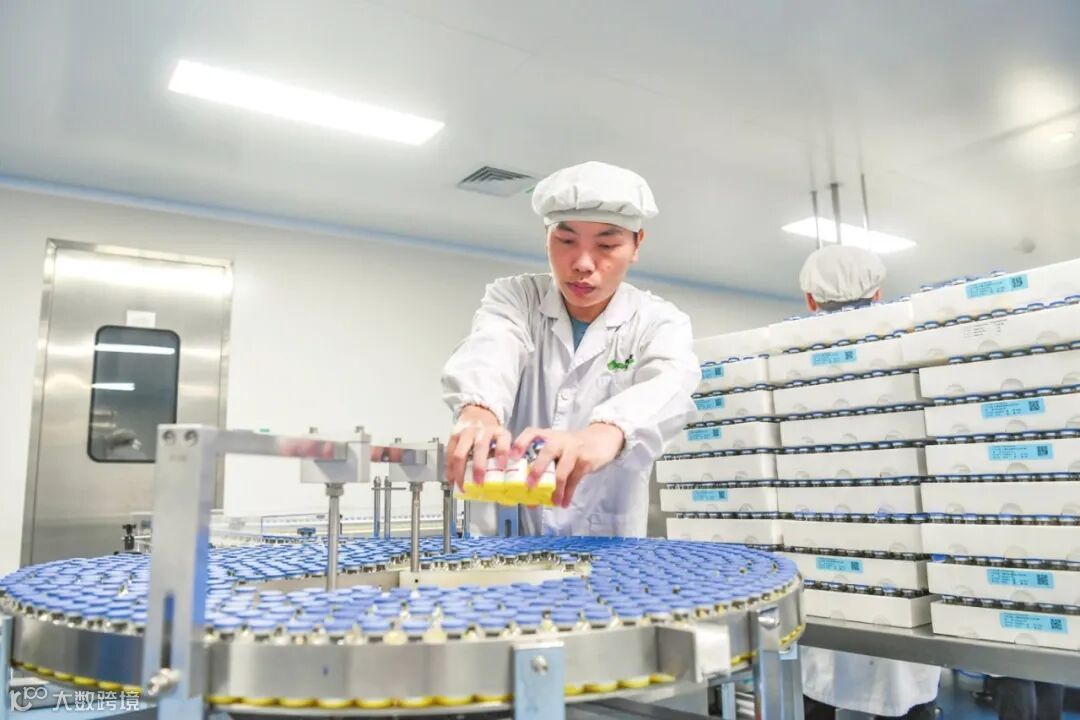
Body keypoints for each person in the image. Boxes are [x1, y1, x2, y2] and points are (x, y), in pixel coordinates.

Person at [441, 160, 699, 536]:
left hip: (606, 546)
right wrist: (479, 410)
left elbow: (669, 386)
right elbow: (492, 345)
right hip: (506, 542)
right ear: (546, 237)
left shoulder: (659, 322)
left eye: (607, 245)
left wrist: (602, 434)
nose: (582, 264)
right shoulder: (517, 298)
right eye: (565, 241)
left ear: (637, 244)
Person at [797, 244, 941, 720]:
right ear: (879, 293)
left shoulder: (791, 359)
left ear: (810, 299)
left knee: (822, 665)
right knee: (904, 675)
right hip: (901, 537)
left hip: (819, 538)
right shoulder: (910, 344)